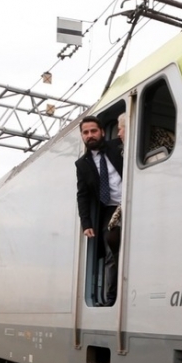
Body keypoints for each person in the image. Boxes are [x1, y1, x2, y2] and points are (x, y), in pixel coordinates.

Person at [75, 115, 124, 306]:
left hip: (132, 201)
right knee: (110, 251)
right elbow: (83, 195)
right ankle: (112, 298)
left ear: (102, 132)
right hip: (110, 210)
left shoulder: (117, 146)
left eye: (93, 131)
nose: (90, 135)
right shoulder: (82, 164)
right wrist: (86, 223)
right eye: (86, 133)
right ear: (82, 136)